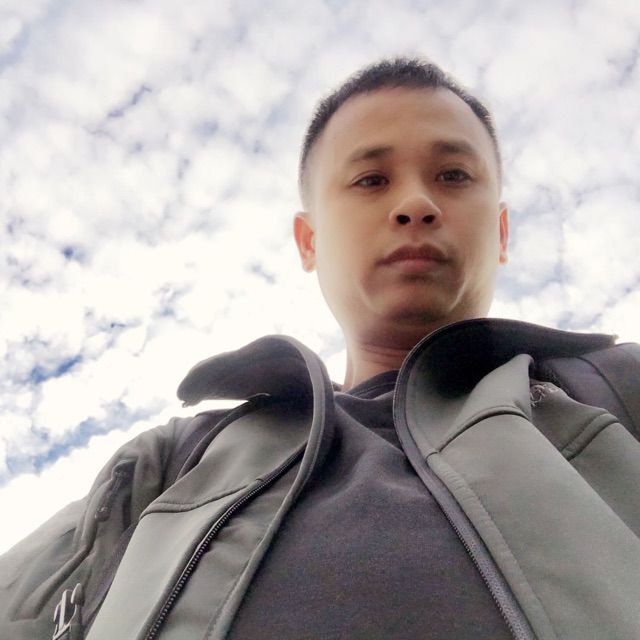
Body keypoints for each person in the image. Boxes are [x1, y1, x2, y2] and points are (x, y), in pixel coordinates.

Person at [2, 57, 640, 640]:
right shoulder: (172, 458)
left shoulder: (618, 388)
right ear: (309, 241)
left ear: (500, 231)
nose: (416, 203)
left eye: (453, 175)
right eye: (371, 179)